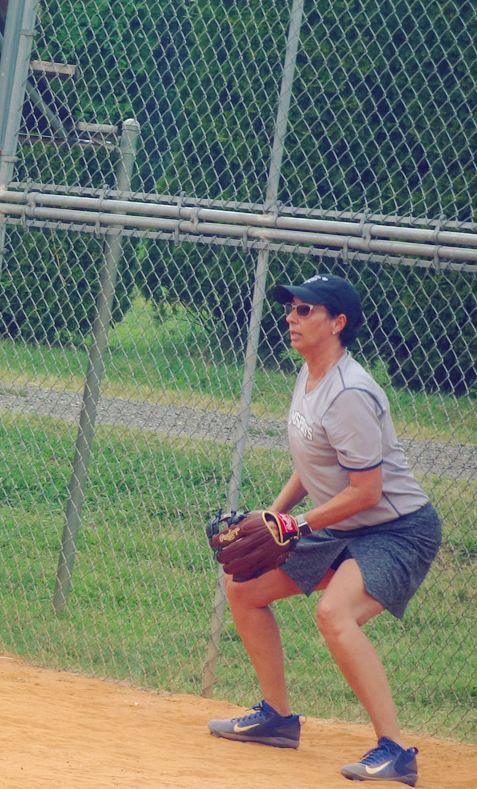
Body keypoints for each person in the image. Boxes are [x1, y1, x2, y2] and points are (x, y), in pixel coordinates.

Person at [208, 274, 441, 785]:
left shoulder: (351, 392)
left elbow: (367, 492)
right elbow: (312, 462)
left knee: (335, 613)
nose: (291, 318)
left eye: (304, 310)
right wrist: (271, 518)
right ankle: (276, 718)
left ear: (337, 323)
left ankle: (396, 750)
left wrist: (293, 524)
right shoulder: (310, 374)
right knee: (244, 587)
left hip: (397, 529)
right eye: (291, 308)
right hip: (344, 522)